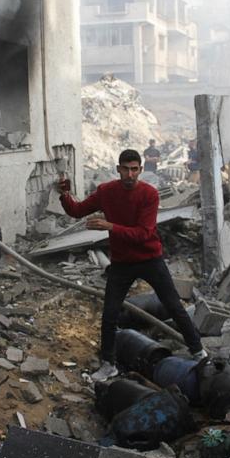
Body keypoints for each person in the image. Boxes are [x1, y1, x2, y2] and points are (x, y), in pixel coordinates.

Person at [56, 149, 205, 381]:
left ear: (141, 170)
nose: (130, 174)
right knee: (110, 314)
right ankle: (108, 364)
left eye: (134, 169)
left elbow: (144, 233)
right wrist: (64, 195)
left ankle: (199, 352)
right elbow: (77, 211)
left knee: (174, 307)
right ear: (118, 169)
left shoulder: (149, 194)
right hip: (122, 262)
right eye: (125, 169)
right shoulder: (106, 191)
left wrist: (111, 227)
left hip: (149, 259)